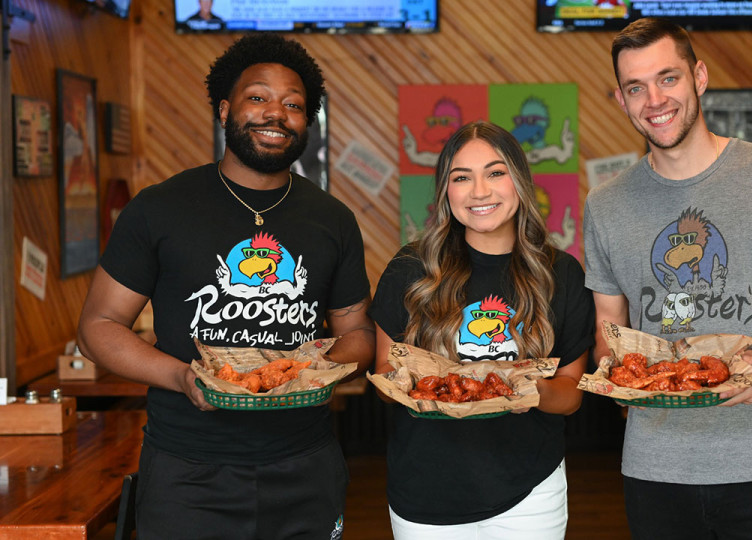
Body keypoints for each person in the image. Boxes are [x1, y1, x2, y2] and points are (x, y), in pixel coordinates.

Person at [76, 33, 374, 540]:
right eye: (257, 97)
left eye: (294, 104)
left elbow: (359, 333)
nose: (275, 114)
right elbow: (98, 327)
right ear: (223, 109)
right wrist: (182, 378)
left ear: (307, 122)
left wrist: (314, 371)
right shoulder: (159, 208)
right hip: (188, 473)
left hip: (305, 466)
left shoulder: (334, 219)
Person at [582, 18, 752, 539]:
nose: (654, 99)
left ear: (699, 77)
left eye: (668, 78)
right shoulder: (605, 204)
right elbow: (607, 328)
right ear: (621, 100)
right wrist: (618, 376)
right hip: (654, 469)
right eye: (636, 87)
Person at [370, 121, 595, 539]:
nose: (479, 191)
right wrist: (419, 387)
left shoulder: (561, 275)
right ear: (445, 191)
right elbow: (385, 370)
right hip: (426, 493)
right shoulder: (411, 269)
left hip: (530, 494)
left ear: (520, 181)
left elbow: (571, 392)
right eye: (461, 178)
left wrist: (532, 392)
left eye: (495, 172)